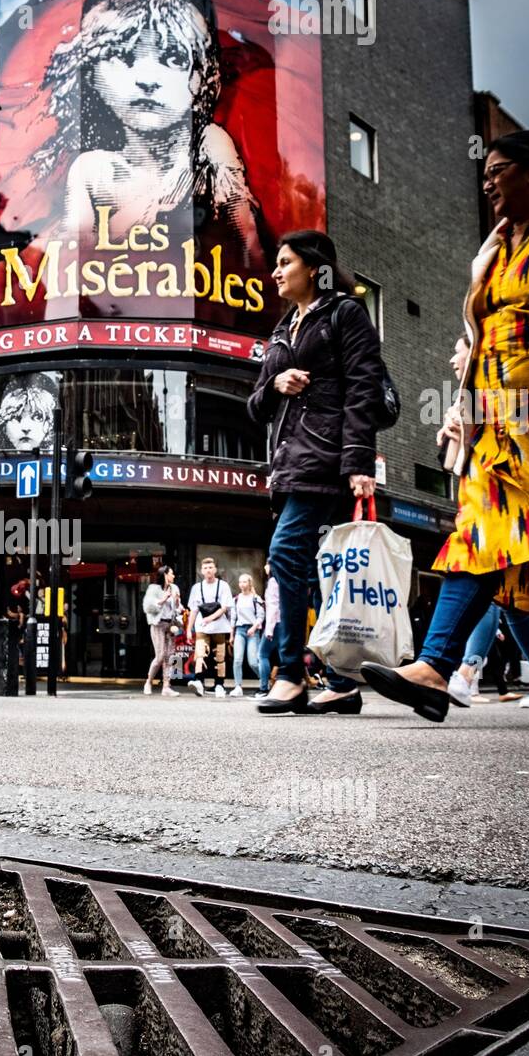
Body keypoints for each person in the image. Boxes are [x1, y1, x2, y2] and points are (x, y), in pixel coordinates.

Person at [361, 132, 529, 720]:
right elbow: (480, 338)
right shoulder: (495, 249)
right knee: (484, 535)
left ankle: (439, 668)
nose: (487, 181)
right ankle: (437, 667)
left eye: (500, 170)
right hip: (494, 423)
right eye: (485, 171)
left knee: (502, 542)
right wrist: (459, 407)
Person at [38, 0, 262, 265]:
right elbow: (69, 261)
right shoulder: (91, 170)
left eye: (173, 57)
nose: (146, 79)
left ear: (204, 76)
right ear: (91, 74)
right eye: (122, 54)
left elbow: (248, 246)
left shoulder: (210, 145)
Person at [247, 230, 382, 715]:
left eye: (285, 262)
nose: (276, 271)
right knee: (316, 570)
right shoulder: (281, 330)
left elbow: (365, 387)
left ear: (313, 266)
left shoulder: (344, 314)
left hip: (326, 460)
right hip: (287, 465)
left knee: (285, 554)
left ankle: (290, 674)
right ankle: (342, 679)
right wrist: (276, 383)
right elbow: (255, 405)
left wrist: (359, 463)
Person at [448, 603, 529, 707]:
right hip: (482, 640)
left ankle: (467, 683)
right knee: (508, 605)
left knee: (512, 605)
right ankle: (468, 684)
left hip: (487, 640)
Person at [186, 557, 233, 697]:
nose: (208, 570)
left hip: (219, 626)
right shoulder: (196, 587)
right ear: (201, 570)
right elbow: (193, 610)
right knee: (200, 654)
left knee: (219, 656)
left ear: (215, 570)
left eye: (211, 567)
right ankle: (199, 681)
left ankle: (219, 684)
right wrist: (189, 628)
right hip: (201, 627)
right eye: (205, 568)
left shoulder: (223, 585)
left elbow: (225, 607)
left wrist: (210, 618)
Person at [142, 565, 181, 696]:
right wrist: (162, 600)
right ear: (165, 574)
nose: (173, 576)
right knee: (160, 656)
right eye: (171, 573)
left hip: (170, 625)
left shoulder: (174, 588)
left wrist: (178, 603)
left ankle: (166, 687)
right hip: (158, 624)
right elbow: (147, 607)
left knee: (169, 656)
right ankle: (148, 682)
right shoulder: (153, 589)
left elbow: (178, 608)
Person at [0, 372, 60, 453]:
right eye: (16, 417)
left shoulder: (61, 457)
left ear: (50, 423)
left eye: (38, 417)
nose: (26, 428)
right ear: (3, 424)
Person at [229, 574, 264, 697]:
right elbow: (233, 618)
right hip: (240, 630)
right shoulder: (236, 599)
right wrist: (231, 635)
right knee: (237, 660)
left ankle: (264, 681)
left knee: (253, 662)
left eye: (244, 582)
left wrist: (254, 627)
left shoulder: (256, 598)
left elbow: (261, 616)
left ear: (249, 583)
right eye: (240, 582)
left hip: (253, 631)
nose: (242, 584)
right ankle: (238, 686)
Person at [257, 561, 280, 699]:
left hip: (275, 623)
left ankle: (263, 688)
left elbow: (273, 607)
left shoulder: (272, 581)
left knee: (262, 654)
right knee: (284, 655)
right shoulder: (284, 581)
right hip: (285, 623)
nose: (265, 567)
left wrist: (269, 629)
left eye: (267, 564)